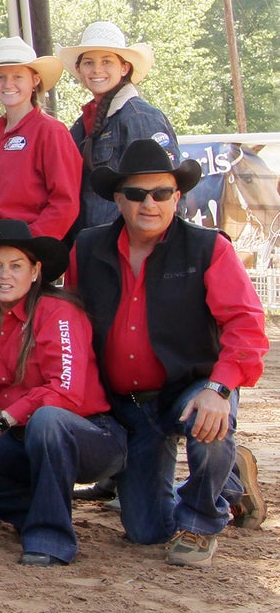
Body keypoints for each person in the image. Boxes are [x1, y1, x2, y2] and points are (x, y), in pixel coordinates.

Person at [70, 141, 265, 567]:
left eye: (161, 193)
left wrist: (219, 388)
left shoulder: (209, 248)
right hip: (129, 405)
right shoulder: (86, 249)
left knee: (209, 422)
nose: (149, 203)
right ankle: (230, 483)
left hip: (193, 385)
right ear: (118, 199)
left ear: (178, 197)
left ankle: (200, 522)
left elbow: (246, 325)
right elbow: (67, 319)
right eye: (137, 194)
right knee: (147, 532)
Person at [0, 220, 121, 566]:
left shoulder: (60, 312)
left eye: (16, 266)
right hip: (19, 438)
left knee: (48, 420)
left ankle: (51, 537)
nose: (5, 275)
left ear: (35, 272)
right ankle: (37, 512)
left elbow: (65, 391)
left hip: (89, 436)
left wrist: (2, 421)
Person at [59, 22, 180, 235]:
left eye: (107, 61)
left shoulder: (139, 117)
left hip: (126, 242)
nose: (97, 69)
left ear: (124, 68)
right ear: (79, 70)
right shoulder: (83, 122)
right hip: (95, 242)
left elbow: (163, 191)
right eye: (89, 63)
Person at [0, 38, 81, 241]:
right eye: (0, 77)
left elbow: (65, 203)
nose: (8, 84)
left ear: (35, 80)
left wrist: (31, 244)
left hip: (29, 244)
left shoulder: (51, 132)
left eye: (17, 76)